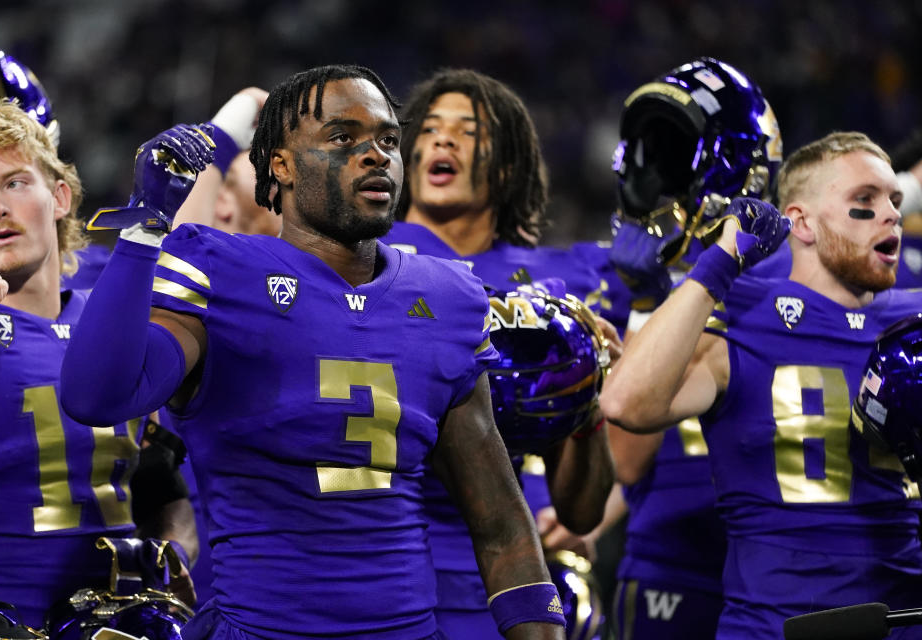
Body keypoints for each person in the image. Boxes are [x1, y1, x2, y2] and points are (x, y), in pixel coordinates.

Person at [59, 64, 567, 640]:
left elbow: (500, 523)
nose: (375, 154)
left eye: (388, 140)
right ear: (282, 165)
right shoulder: (218, 269)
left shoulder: (447, 297)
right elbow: (96, 395)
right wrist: (145, 230)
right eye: (343, 138)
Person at [599, 131, 922, 639]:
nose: (890, 215)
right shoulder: (741, 312)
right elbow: (623, 403)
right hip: (777, 626)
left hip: (905, 619)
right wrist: (718, 264)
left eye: (894, 201)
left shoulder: (913, 319)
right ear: (801, 222)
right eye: (866, 199)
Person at [382, 68, 622, 639]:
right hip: (363, 559)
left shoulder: (560, 287)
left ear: (508, 165)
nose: (442, 139)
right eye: (431, 129)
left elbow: (582, 512)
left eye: (467, 131)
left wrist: (587, 397)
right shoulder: (357, 257)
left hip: (494, 575)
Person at [0, 100, 197, 629]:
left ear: (60, 197)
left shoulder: (110, 320)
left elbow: (162, 485)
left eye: (15, 182)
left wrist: (172, 556)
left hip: (117, 623)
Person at [600, 56, 783, 640]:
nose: (654, 178)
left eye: (672, 156)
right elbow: (623, 461)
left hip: (779, 572)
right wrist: (646, 304)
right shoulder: (621, 284)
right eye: (650, 157)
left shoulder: (800, 282)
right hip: (668, 563)